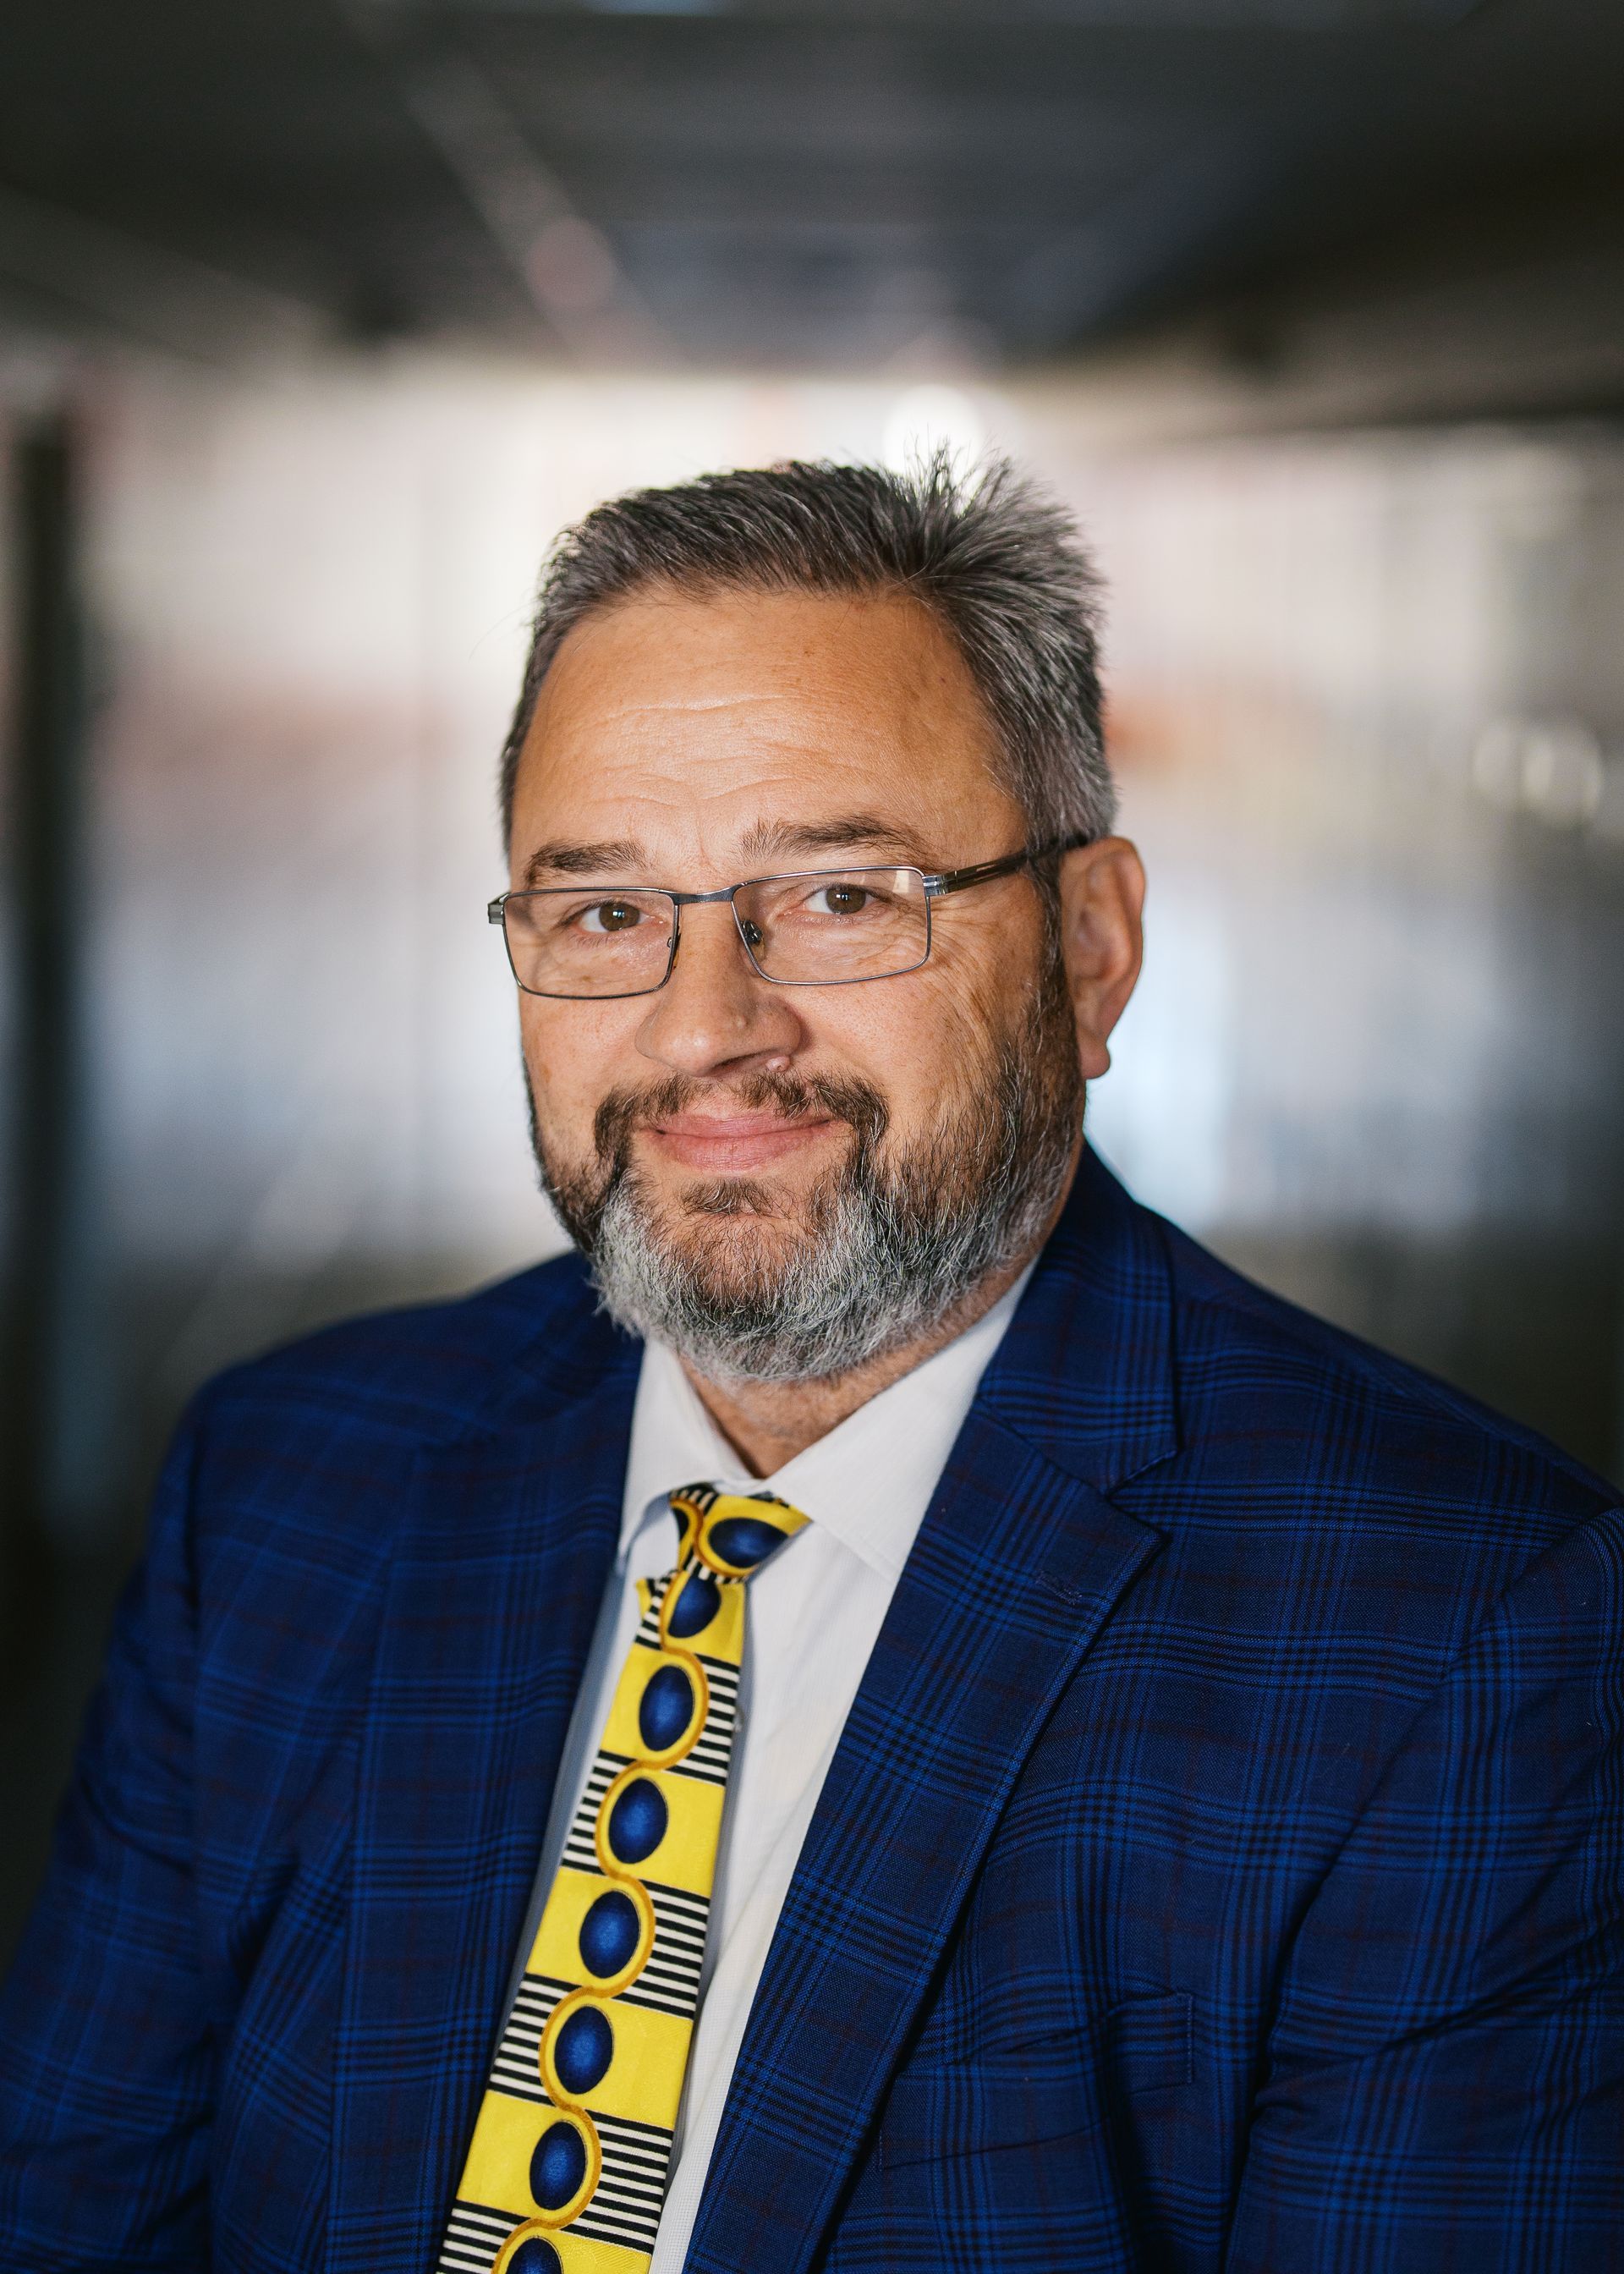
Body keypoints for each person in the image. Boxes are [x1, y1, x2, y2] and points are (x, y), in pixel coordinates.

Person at [1, 455, 1619, 2274]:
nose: (707, 1031)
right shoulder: (291, 1484)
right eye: (606, 913)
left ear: (1092, 953)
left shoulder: (1467, 1637)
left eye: (842, 897)